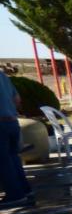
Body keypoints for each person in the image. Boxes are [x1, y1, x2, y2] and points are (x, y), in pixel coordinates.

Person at [0, 69, 31, 205]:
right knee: (13, 157)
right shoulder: (3, 75)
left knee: (4, 161)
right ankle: (25, 190)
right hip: (12, 121)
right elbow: (17, 99)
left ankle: (15, 194)